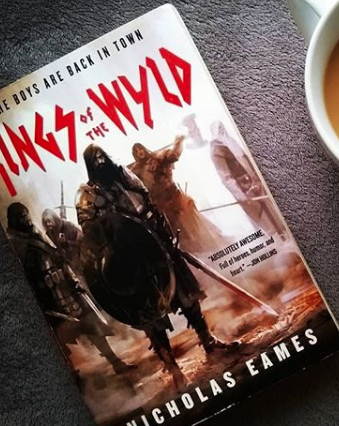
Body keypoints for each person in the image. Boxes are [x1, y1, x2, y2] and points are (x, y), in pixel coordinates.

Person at [76, 144, 234, 391]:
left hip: (156, 242)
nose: (101, 162)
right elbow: (92, 234)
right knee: (150, 316)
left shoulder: (124, 175)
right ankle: (174, 370)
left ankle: (208, 341)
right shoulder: (87, 195)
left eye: (102, 156)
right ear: (89, 165)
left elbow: (149, 203)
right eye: (95, 160)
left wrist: (166, 233)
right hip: (129, 260)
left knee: (186, 295)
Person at [6, 202, 134, 374]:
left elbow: (59, 259)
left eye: (26, 215)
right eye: (22, 217)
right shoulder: (15, 246)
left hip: (65, 289)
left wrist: (73, 279)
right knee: (58, 340)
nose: (27, 220)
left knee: (91, 324)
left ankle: (116, 362)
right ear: (14, 220)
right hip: (46, 299)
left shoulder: (37, 234)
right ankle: (72, 376)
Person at [130, 136, 223, 252]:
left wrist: (178, 143)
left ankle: (206, 246)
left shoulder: (157, 157)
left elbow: (173, 155)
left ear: (144, 149)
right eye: (137, 151)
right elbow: (131, 182)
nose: (140, 152)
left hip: (175, 197)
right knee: (176, 231)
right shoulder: (135, 170)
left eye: (140, 149)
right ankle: (190, 251)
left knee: (191, 224)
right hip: (161, 205)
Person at [210, 121, 284, 238]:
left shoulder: (230, 142)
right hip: (243, 188)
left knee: (271, 210)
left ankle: (284, 235)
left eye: (222, 126)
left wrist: (257, 176)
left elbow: (245, 159)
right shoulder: (216, 151)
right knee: (260, 215)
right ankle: (276, 239)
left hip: (254, 180)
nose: (222, 130)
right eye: (219, 128)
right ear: (214, 132)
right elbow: (225, 177)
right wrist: (240, 195)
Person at [42, 208, 82, 273]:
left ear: (54, 218)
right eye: (46, 222)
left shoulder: (69, 226)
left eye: (49, 221)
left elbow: (81, 241)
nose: (48, 224)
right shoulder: (49, 234)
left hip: (78, 260)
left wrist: (68, 243)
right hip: (67, 266)